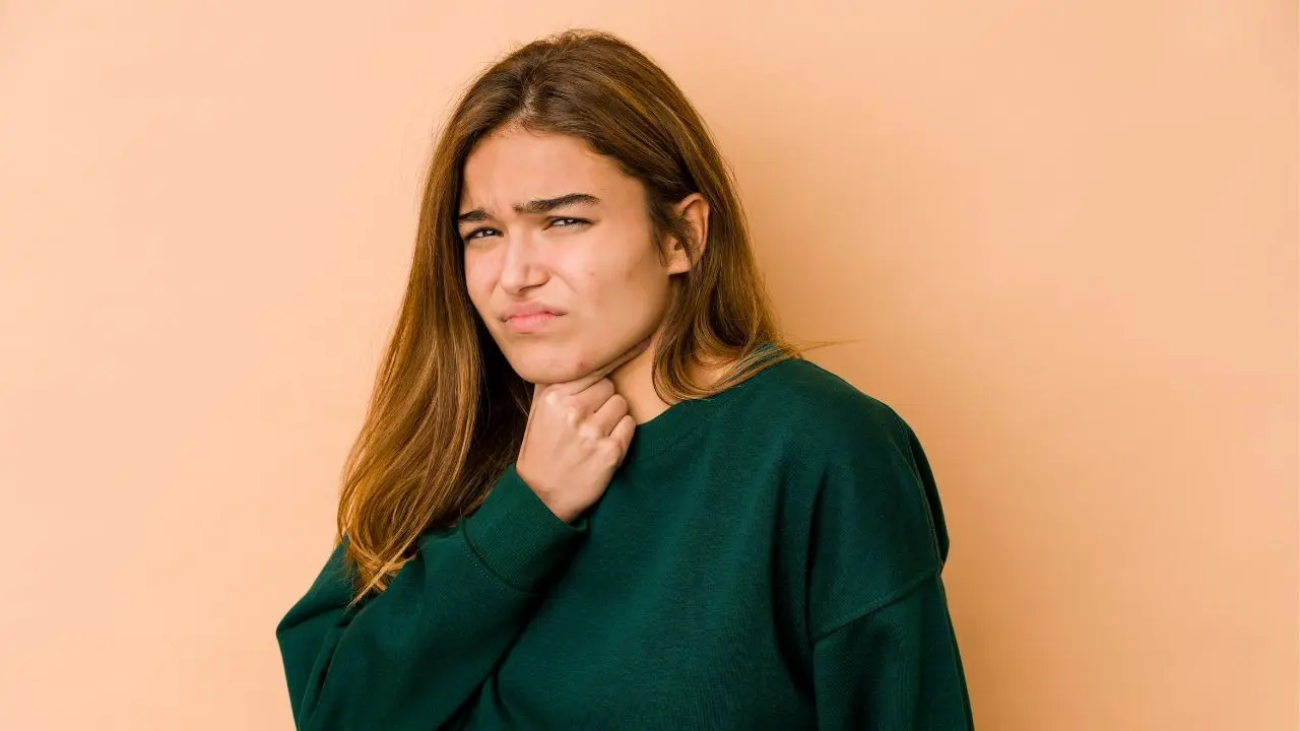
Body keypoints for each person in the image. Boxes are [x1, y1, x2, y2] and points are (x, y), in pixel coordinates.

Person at [275, 28, 974, 731]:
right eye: (483, 232)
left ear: (683, 237)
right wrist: (527, 511)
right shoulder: (456, 437)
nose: (514, 275)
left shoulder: (819, 448)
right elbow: (335, 717)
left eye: (564, 220)